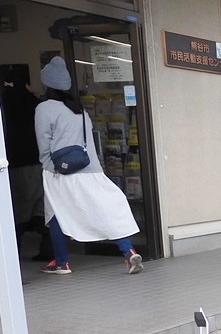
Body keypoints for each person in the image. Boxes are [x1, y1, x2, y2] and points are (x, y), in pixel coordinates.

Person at [34, 56, 142, 276]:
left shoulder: (44, 108)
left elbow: (43, 144)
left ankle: (62, 263)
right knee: (105, 209)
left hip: (60, 171)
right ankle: (128, 250)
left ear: (47, 84)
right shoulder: (79, 110)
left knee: (55, 213)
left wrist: (49, 167)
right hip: (90, 169)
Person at [1, 67, 52, 260]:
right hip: (40, 160)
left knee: (19, 209)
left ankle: (12, 253)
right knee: (41, 207)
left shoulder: (4, 104)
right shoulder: (36, 104)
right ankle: (48, 249)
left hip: (15, 163)